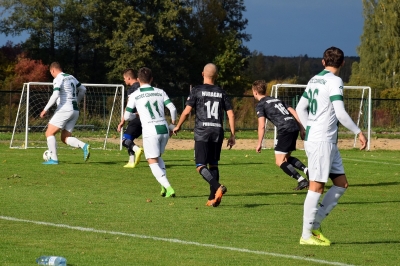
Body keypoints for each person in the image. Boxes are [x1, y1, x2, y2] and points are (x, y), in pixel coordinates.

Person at [295, 47, 368, 246]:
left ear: (323, 62)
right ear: (343, 63)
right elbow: (341, 113)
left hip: (326, 140)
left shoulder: (314, 79)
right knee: (316, 187)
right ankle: (306, 235)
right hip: (321, 141)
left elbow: (301, 108)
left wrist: (308, 126)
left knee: (341, 184)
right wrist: (358, 132)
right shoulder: (335, 81)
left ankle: (315, 224)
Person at [173, 63, 235, 207]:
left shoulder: (197, 90)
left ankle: (218, 187)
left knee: (200, 165)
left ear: (202, 74)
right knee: (213, 164)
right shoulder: (221, 92)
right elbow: (231, 114)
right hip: (217, 131)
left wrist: (178, 125)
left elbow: (187, 111)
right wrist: (232, 135)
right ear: (217, 76)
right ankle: (212, 198)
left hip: (202, 132)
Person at [123, 67, 177, 197]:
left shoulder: (135, 94)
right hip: (164, 128)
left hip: (150, 130)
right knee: (158, 157)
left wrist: (136, 116)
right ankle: (163, 187)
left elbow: (126, 117)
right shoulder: (160, 92)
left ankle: (169, 187)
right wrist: (172, 125)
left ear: (138, 80)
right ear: (151, 79)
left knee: (151, 160)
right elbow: (173, 109)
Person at [252, 80, 309, 190]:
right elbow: (292, 111)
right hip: (293, 127)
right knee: (286, 158)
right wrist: (301, 128)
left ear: (255, 92)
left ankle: (301, 180)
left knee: (279, 161)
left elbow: (261, 125)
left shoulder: (261, 105)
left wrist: (259, 143)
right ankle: (308, 171)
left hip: (285, 130)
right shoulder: (277, 99)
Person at [40, 62, 90, 165]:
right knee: (65, 138)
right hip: (75, 110)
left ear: (53, 70)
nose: (52, 75)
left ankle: (53, 159)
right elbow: (83, 89)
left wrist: (45, 109)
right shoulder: (71, 77)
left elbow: (55, 94)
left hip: (64, 109)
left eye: (51, 73)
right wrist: (77, 101)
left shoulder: (58, 78)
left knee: (49, 133)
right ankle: (84, 146)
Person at [117, 68, 144, 168]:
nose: (124, 80)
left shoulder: (132, 89)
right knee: (130, 138)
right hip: (146, 118)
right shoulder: (143, 86)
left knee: (125, 140)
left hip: (135, 117)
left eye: (124, 78)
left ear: (128, 78)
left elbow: (129, 105)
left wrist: (122, 120)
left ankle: (137, 149)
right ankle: (131, 161)